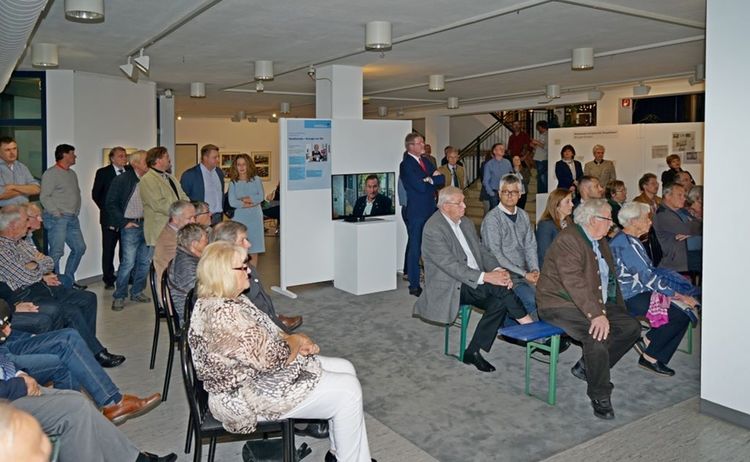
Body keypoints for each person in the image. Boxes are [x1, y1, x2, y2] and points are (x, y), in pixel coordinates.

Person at [189, 242, 373, 462]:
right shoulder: (224, 315)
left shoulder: (228, 300)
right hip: (241, 397)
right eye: (242, 267)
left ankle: (341, 454)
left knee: (346, 368)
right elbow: (272, 359)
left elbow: (268, 332)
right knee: (348, 391)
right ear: (224, 273)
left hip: (254, 376)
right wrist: (295, 341)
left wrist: (292, 340)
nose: (249, 270)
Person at [536, 199, 641, 420]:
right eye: (608, 219)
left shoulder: (599, 238)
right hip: (560, 303)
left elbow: (607, 279)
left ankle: (587, 367)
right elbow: (574, 282)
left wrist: (608, 310)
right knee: (597, 335)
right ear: (593, 219)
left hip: (592, 300)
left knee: (631, 327)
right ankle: (600, 394)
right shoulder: (569, 240)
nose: (612, 224)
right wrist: (596, 315)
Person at [414, 186, 534, 373]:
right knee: (500, 289)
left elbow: (482, 251)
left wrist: (497, 270)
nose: (464, 206)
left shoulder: (466, 223)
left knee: (500, 300)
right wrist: (488, 277)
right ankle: (529, 327)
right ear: (445, 206)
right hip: (451, 284)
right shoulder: (433, 228)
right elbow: (450, 266)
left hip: (473, 280)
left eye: (464, 201)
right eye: (459, 203)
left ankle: (473, 351)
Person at [0, 205, 124, 367]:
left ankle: (86, 348)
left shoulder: (21, 243)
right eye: (26, 221)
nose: (29, 225)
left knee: (88, 298)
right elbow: (26, 276)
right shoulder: (3, 249)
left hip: (40, 286)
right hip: (25, 294)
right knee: (70, 310)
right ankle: (96, 353)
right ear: (13, 225)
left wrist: (35, 265)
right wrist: (37, 266)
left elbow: (48, 262)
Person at [0, 303, 161, 425]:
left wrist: (26, 335)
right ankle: (93, 411)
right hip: (4, 358)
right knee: (65, 356)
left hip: (6, 343)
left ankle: (104, 406)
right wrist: (17, 373)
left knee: (69, 336)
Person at [0, 367, 177, 461]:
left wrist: (19, 373)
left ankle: (134, 459)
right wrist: (18, 385)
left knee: (77, 399)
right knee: (74, 409)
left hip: (7, 381)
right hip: (5, 395)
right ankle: (114, 403)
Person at [610, 202, 699, 376]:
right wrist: (679, 296)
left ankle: (650, 341)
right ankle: (651, 355)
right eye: (646, 218)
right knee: (681, 313)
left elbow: (648, 275)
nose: (650, 222)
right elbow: (648, 278)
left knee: (683, 311)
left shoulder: (629, 240)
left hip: (638, 291)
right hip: (628, 296)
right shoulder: (626, 244)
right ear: (634, 221)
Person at [209, 221, 303, 332]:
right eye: (242, 240)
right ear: (226, 245)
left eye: (247, 239)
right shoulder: (232, 277)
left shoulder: (241, 267)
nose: (249, 244)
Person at [480, 175, 539, 316]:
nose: (510, 195)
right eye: (506, 191)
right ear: (499, 193)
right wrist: (525, 274)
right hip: (505, 276)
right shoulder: (492, 219)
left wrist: (535, 270)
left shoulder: (523, 215)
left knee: (551, 295)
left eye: (514, 192)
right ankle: (535, 336)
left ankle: (553, 334)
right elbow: (495, 255)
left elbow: (530, 245)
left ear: (520, 195)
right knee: (532, 300)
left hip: (524, 273)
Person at [106, 150, 153, 311]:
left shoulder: (151, 179)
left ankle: (137, 291)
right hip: (131, 226)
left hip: (147, 225)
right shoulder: (122, 180)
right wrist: (123, 222)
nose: (150, 163)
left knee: (145, 262)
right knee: (128, 263)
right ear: (135, 163)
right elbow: (110, 203)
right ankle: (119, 296)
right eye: (146, 160)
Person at [399, 133, 444, 296]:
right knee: (415, 247)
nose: (423, 145)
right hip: (417, 211)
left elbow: (442, 179)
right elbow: (419, 187)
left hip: (430, 209)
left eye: (423, 142)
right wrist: (431, 180)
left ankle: (432, 278)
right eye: (420, 143)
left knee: (431, 246)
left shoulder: (426, 161)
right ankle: (414, 284)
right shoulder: (406, 165)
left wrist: (429, 180)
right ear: (410, 146)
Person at [40, 144, 86, 288]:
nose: (75, 156)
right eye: (73, 153)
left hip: (72, 217)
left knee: (79, 248)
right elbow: (44, 196)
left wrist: (76, 210)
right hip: (57, 218)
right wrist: (55, 212)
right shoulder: (51, 173)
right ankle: (54, 284)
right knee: (56, 252)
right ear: (64, 155)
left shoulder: (72, 174)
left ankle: (68, 281)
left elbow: (76, 193)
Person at [92, 147, 129, 289]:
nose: (124, 158)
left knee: (126, 250)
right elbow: (96, 194)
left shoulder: (130, 172)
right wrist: (109, 210)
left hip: (127, 219)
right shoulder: (103, 173)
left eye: (125, 156)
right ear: (112, 158)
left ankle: (125, 277)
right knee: (108, 249)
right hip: (110, 218)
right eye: (120, 156)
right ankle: (108, 279)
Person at [139, 146, 189, 247]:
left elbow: (183, 195)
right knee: (161, 261)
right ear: (158, 160)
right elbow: (158, 204)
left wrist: (188, 208)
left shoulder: (170, 177)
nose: (169, 159)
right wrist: (180, 213)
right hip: (160, 230)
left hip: (176, 227)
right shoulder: (148, 179)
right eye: (166, 157)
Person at [653, 183, 702, 273]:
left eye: (684, 195)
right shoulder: (663, 214)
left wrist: (691, 234)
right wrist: (692, 226)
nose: (684, 198)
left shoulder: (681, 210)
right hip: (678, 260)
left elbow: (699, 224)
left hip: (689, 252)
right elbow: (688, 229)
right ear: (668, 196)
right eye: (679, 195)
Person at [228, 153, 266, 264]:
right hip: (239, 218)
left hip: (255, 217)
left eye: (244, 164)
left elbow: (260, 197)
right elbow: (232, 202)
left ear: (248, 165)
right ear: (235, 166)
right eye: (238, 164)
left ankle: (253, 277)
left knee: (254, 248)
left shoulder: (256, 179)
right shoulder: (233, 182)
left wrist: (243, 199)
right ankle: (240, 275)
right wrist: (250, 203)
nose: (241, 167)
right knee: (239, 247)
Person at [167, 223, 208, 322]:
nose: (208, 241)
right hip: (191, 316)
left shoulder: (189, 256)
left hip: (197, 307)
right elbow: (197, 294)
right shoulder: (186, 264)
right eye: (205, 239)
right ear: (194, 244)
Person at [152, 200, 196, 289]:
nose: (193, 221)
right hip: (175, 292)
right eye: (189, 218)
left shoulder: (177, 232)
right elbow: (185, 268)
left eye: (194, 217)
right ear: (175, 219)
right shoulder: (168, 242)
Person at [180, 144, 224, 225]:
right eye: (215, 157)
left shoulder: (219, 172)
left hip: (218, 217)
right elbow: (183, 199)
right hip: (201, 218)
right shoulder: (190, 174)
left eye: (218, 157)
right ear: (205, 158)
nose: (218, 160)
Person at [535, 188, 574, 265]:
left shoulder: (569, 223)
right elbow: (545, 255)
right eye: (567, 202)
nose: (572, 204)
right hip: (552, 271)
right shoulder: (545, 225)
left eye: (571, 201)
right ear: (556, 205)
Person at [0, 136, 40, 207]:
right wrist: (25, 190)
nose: (12, 153)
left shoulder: (22, 167)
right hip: (5, 213)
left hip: (24, 211)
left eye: (14, 149)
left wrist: (13, 186)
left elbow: (36, 189)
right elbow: (1, 194)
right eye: (7, 150)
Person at [482, 143, 513, 211]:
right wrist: (491, 193)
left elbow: (511, 176)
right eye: (500, 148)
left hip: (506, 192)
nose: (502, 150)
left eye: (503, 148)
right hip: (494, 192)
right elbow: (486, 181)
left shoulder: (507, 162)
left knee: (505, 211)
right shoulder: (489, 164)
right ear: (494, 151)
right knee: (495, 213)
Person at [530, 120, 549, 193]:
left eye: (538, 128)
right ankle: (540, 194)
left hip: (542, 159)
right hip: (538, 159)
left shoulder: (547, 135)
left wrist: (537, 142)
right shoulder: (542, 135)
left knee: (542, 178)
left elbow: (546, 147)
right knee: (540, 178)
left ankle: (542, 193)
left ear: (542, 127)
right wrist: (534, 146)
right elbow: (540, 148)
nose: (538, 130)